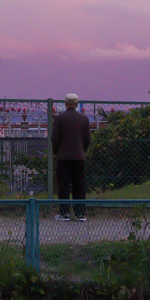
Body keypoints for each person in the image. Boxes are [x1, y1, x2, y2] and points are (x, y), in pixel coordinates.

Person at [52, 93, 91, 221]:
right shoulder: (84, 119)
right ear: (77, 104)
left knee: (63, 186)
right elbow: (87, 139)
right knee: (79, 185)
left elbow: (55, 138)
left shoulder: (59, 119)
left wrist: (56, 151)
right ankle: (80, 213)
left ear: (65, 104)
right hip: (79, 157)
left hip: (63, 157)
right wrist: (82, 150)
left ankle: (64, 214)